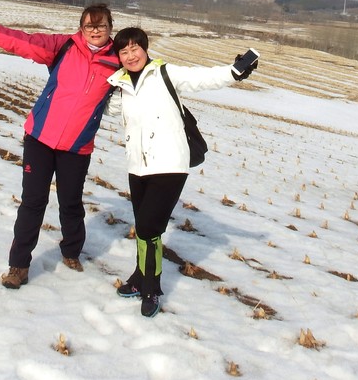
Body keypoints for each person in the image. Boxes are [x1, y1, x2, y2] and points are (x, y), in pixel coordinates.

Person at [0, 4, 120, 289]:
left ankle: (71, 252)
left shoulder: (117, 59)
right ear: (81, 27)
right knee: (33, 202)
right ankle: (18, 266)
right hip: (40, 138)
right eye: (89, 25)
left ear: (110, 28)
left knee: (71, 203)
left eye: (101, 26)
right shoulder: (64, 46)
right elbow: (22, 42)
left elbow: (147, 73)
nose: (95, 31)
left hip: (77, 146)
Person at [106, 27, 257, 318]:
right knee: (144, 227)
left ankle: (151, 288)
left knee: (150, 227)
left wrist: (234, 72)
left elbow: (203, 78)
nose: (130, 55)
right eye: (123, 51)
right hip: (137, 165)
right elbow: (100, 108)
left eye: (135, 48)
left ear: (146, 49)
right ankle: (139, 277)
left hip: (170, 163)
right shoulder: (120, 86)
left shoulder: (165, 73)